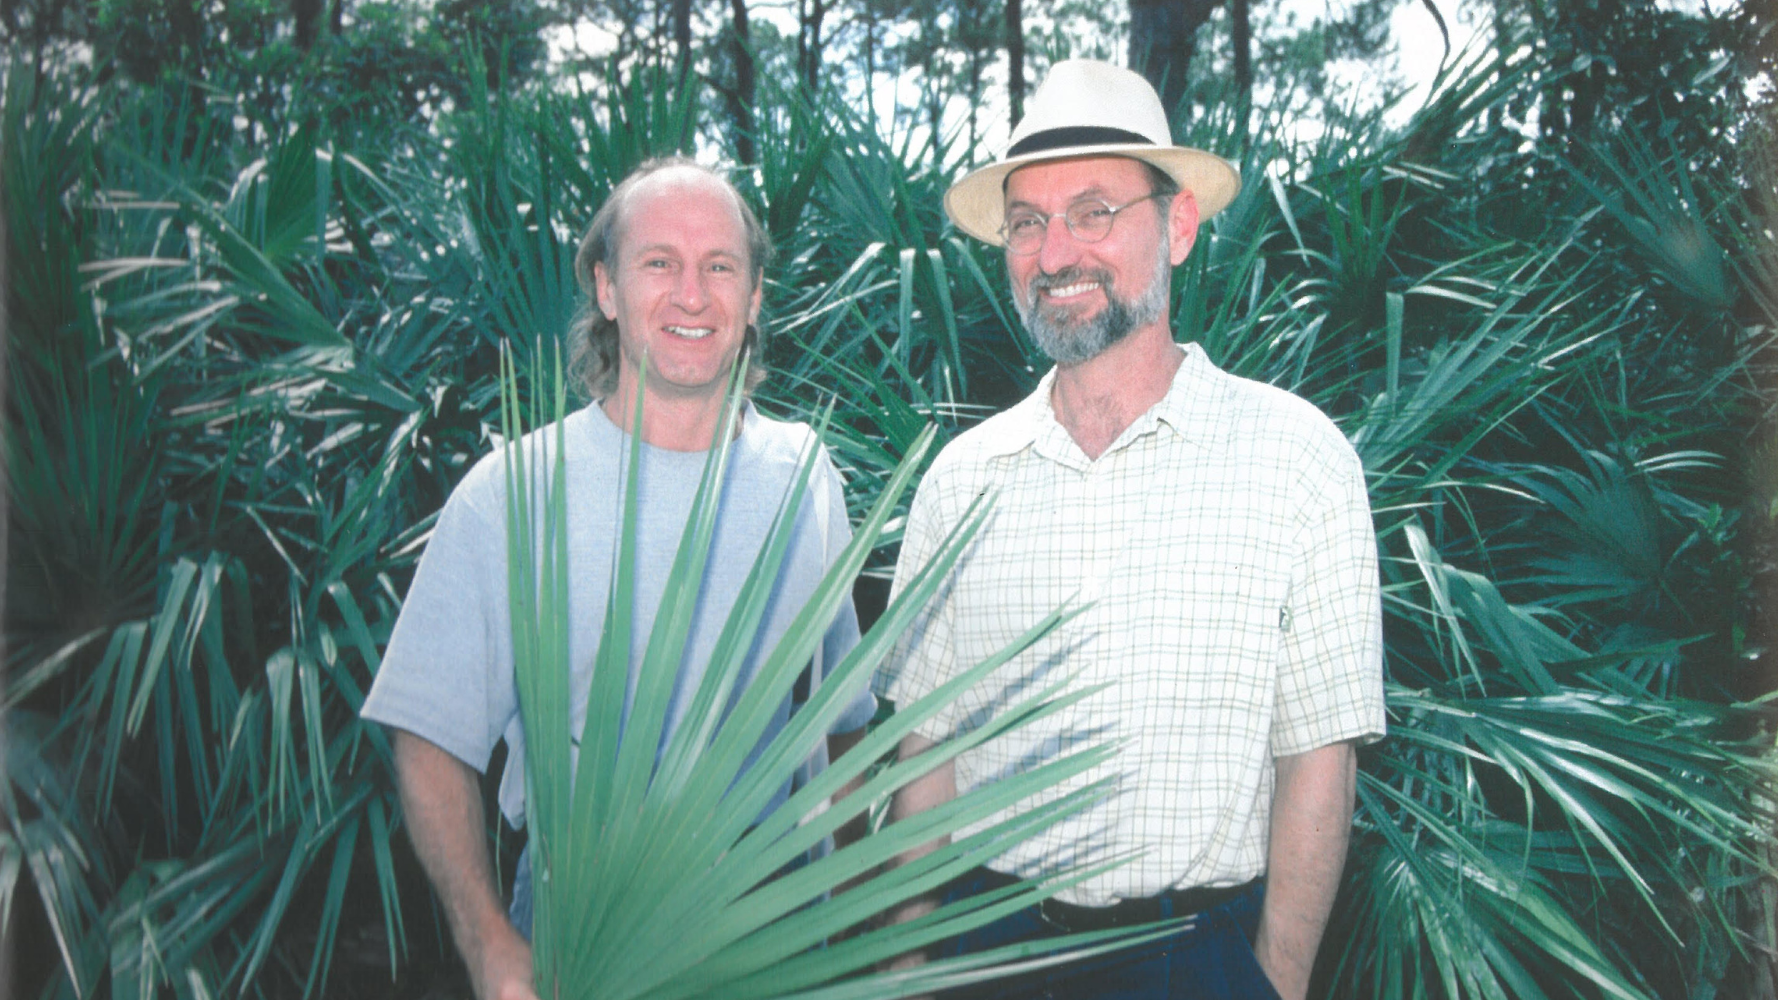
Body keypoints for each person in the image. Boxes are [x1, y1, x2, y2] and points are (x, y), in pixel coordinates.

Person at [872, 60, 1386, 1000]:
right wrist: (904, 976)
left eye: (1095, 210)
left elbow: (1319, 761)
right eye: (1028, 221)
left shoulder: (1299, 461)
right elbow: (925, 762)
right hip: (989, 956)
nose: (1057, 251)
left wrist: (1271, 985)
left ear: (1178, 225)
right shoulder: (960, 481)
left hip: (1199, 959)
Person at [361, 158, 876, 1000]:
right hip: (586, 940)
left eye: (720, 266)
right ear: (606, 288)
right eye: (658, 263)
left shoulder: (804, 476)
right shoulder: (512, 493)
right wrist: (488, 943)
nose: (691, 294)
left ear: (752, 300)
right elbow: (427, 734)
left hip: (779, 933)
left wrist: (854, 910)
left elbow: (843, 721)